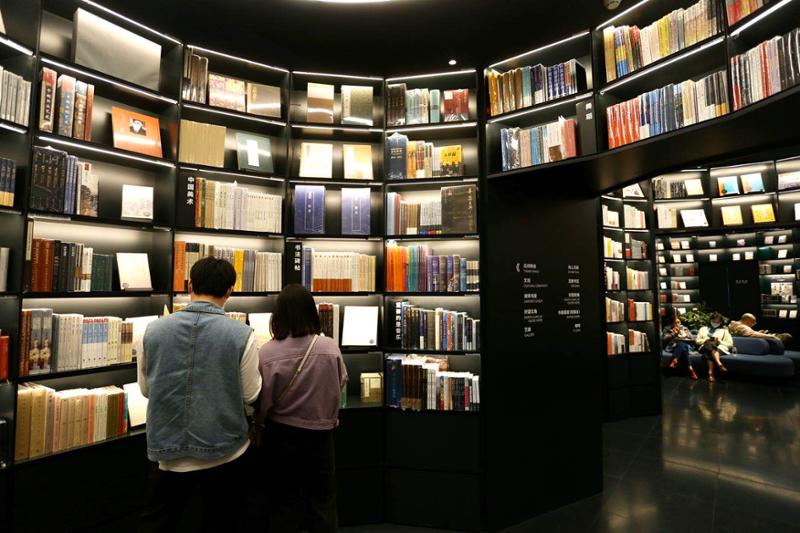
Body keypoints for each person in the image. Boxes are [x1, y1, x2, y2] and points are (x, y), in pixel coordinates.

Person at [137, 257, 262, 533]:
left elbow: (146, 390)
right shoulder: (243, 335)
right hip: (225, 451)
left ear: (190, 285)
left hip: (168, 452)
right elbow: (251, 393)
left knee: (157, 523)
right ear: (229, 290)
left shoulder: (152, 331)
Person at [256, 284, 348, 533]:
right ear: (311, 313)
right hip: (321, 436)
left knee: (284, 503)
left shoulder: (267, 352)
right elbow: (340, 383)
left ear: (278, 315)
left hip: (281, 435)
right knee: (323, 502)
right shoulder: (329, 347)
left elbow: (263, 400)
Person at [695, 312, 734, 383]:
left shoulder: (724, 331)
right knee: (709, 342)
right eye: (713, 321)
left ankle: (710, 374)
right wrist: (706, 339)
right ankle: (719, 363)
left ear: (721, 322)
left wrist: (719, 341)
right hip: (704, 347)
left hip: (719, 348)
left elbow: (730, 344)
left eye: (717, 322)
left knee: (709, 352)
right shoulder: (703, 329)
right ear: (710, 320)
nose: (715, 323)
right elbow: (697, 341)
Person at [662, 315, 698, 380]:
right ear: (672, 323)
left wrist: (685, 334)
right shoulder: (667, 328)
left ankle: (675, 360)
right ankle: (690, 369)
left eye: (678, 322)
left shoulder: (685, 328)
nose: (677, 324)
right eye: (675, 322)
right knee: (681, 344)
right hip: (673, 346)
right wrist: (673, 334)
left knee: (682, 345)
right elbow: (664, 339)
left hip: (686, 345)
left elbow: (692, 338)